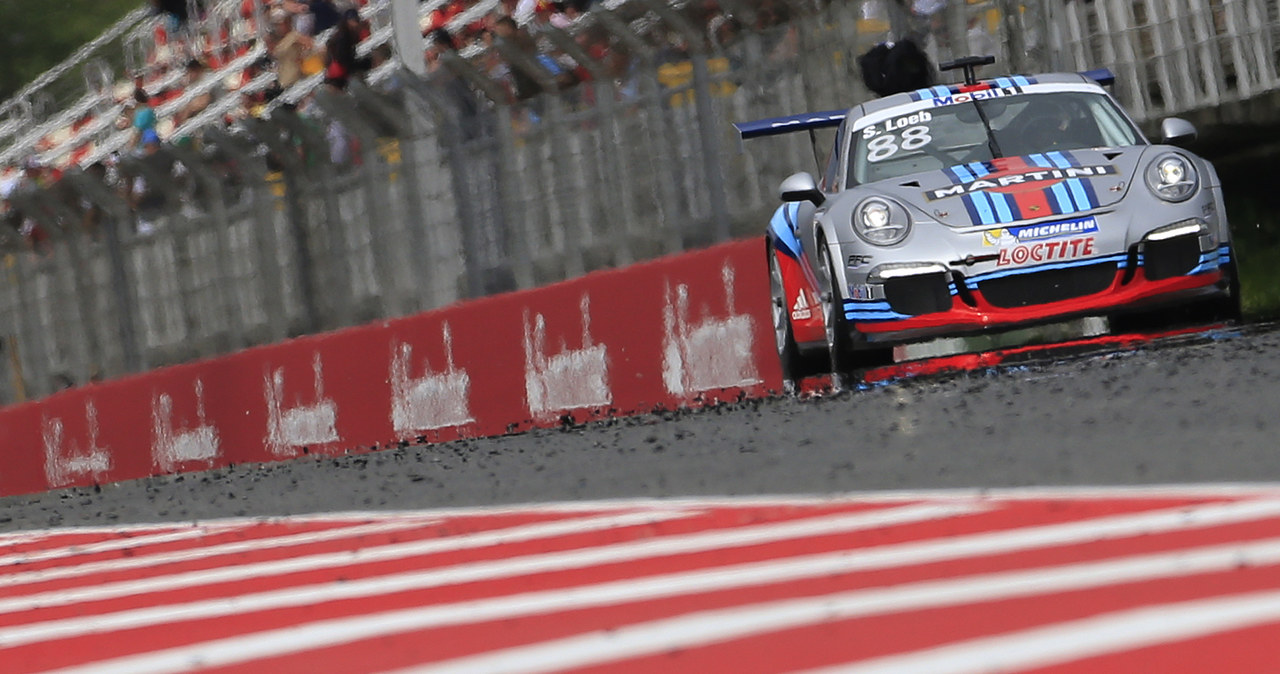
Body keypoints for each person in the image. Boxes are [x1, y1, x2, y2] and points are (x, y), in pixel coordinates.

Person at [323, 9, 370, 90]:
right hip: (339, 77)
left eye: (356, 21)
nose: (355, 24)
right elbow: (344, 60)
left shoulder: (341, 35)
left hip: (338, 74)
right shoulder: (344, 37)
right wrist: (365, 64)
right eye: (353, 21)